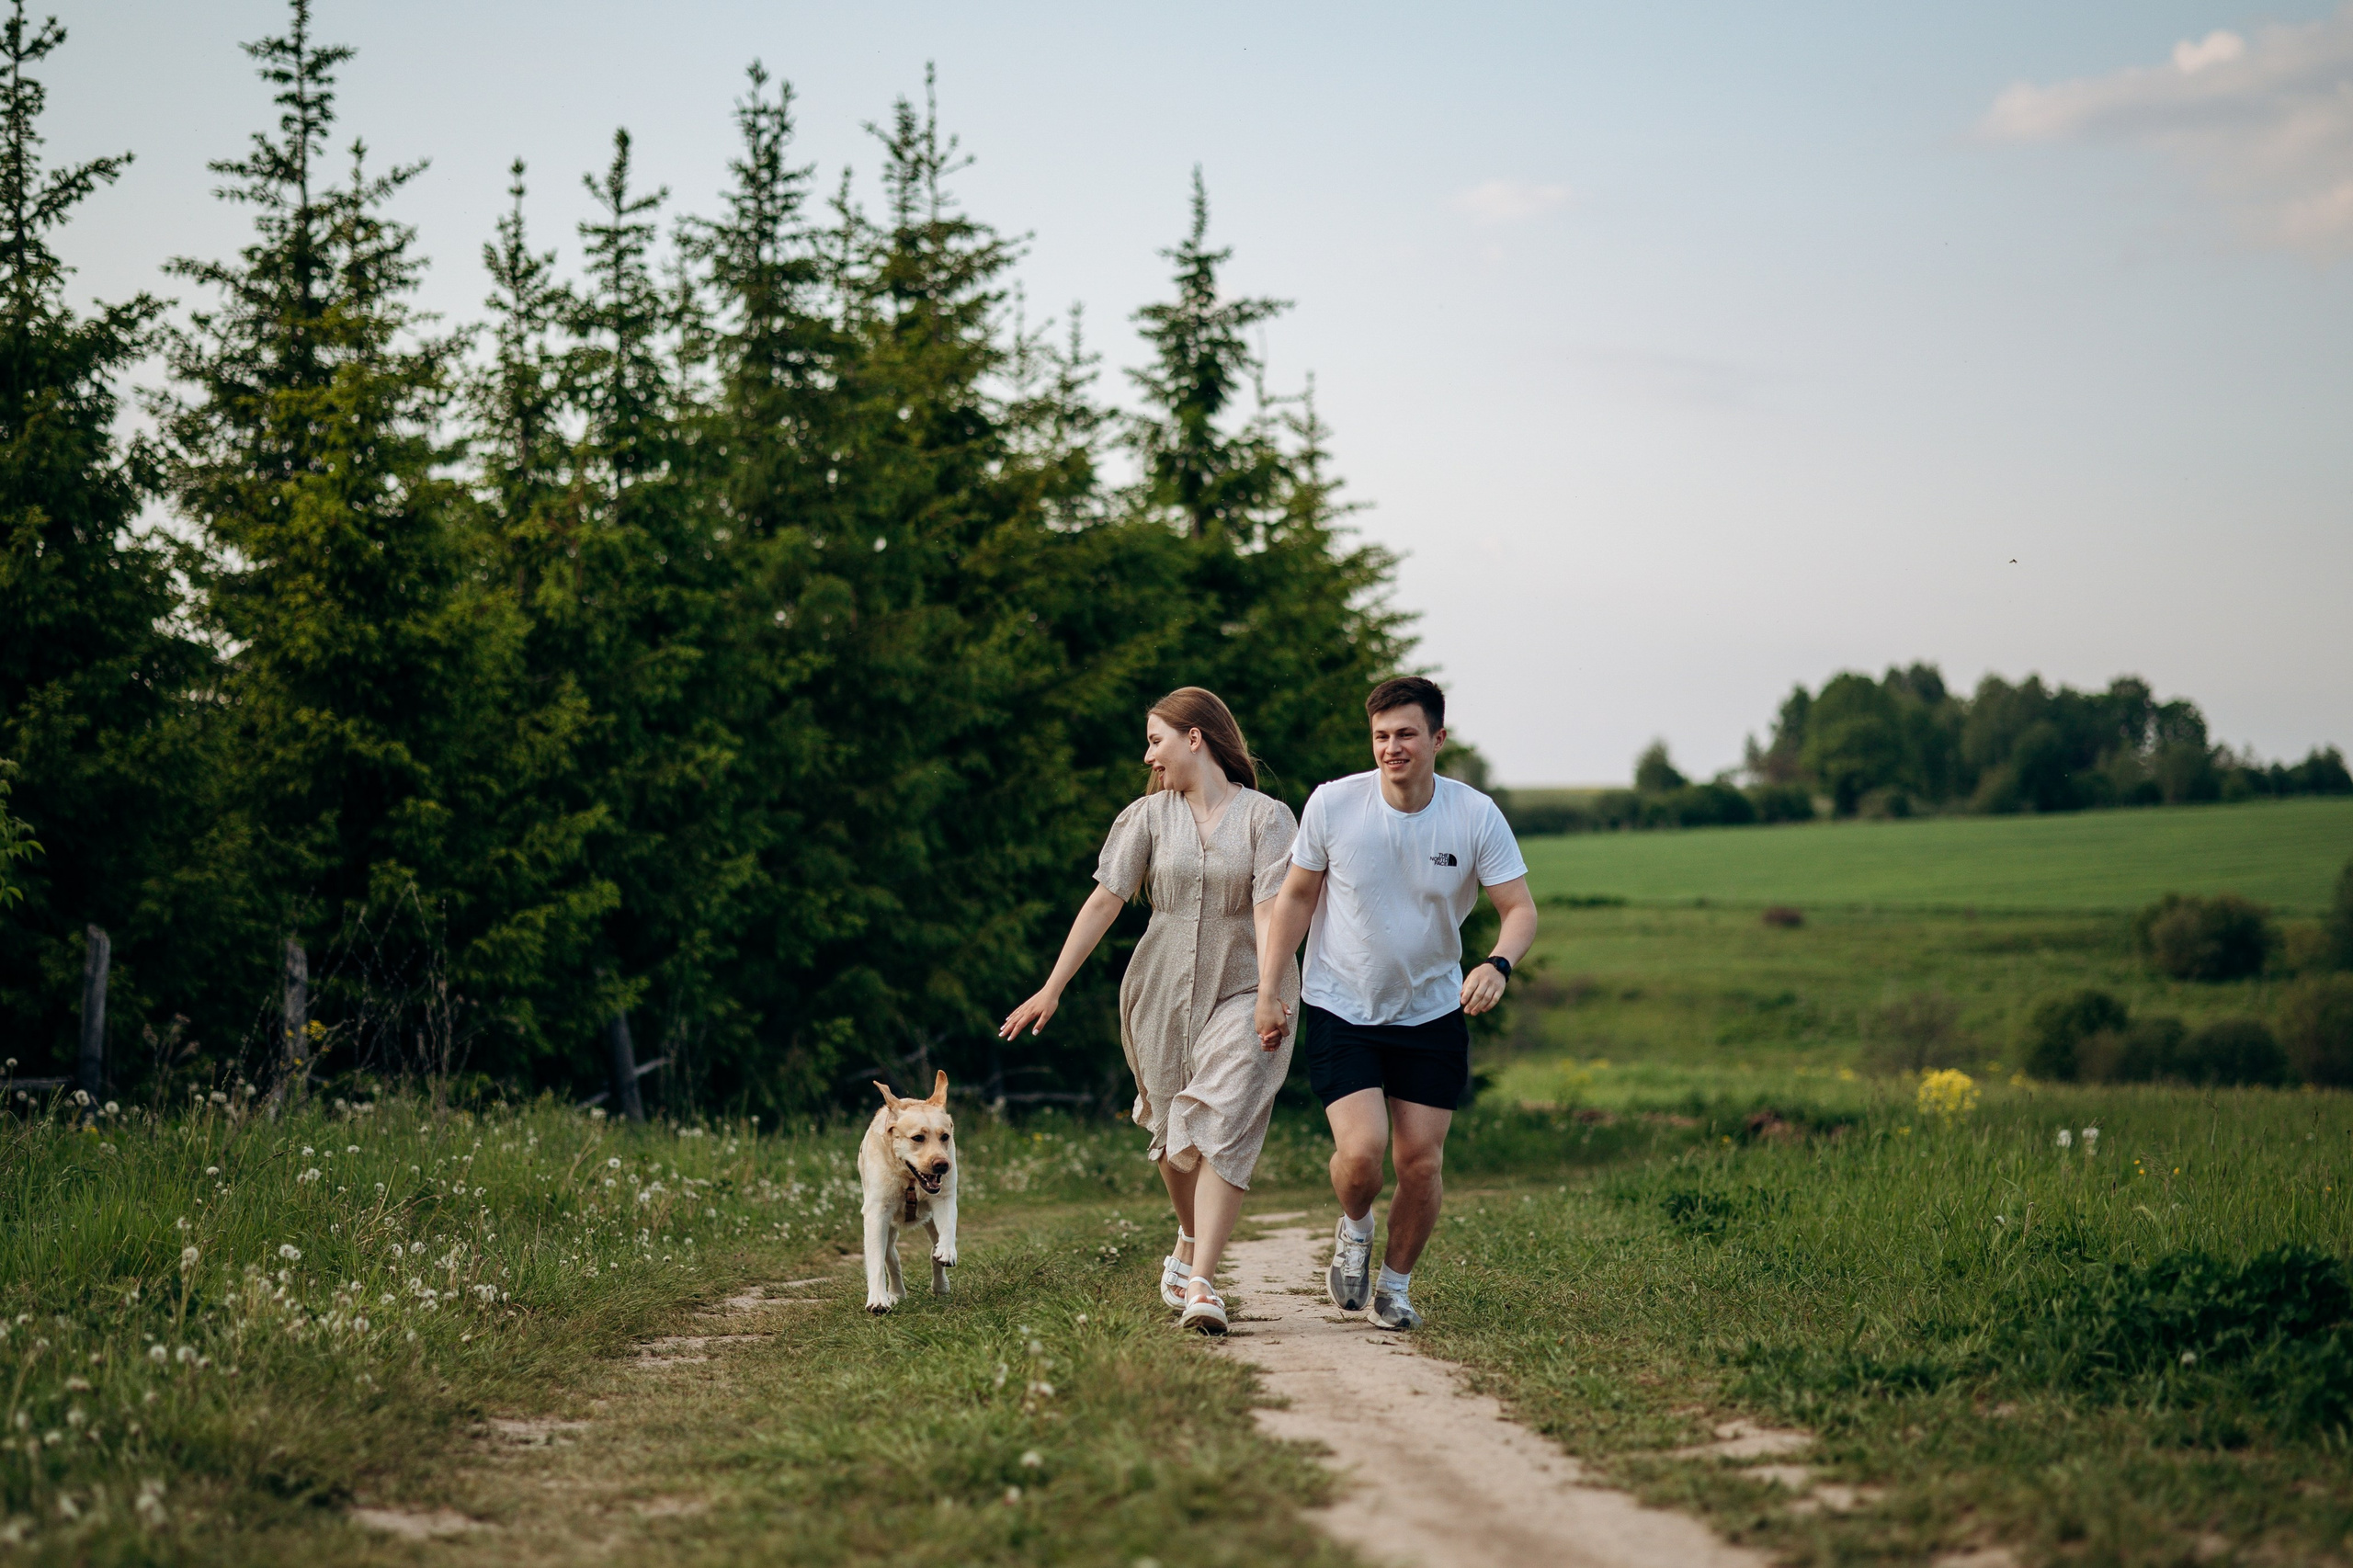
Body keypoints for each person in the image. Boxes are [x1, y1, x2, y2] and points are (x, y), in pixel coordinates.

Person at [1000, 687, 1301, 1335]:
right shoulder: (1145, 817)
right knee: (1173, 1138)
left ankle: (1203, 1284)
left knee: (1221, 1118)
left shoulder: (1267, 818)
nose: (1149, 755)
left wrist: (1272, 992)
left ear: (1196, 737)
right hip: (1158, 988)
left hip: (1246, 984)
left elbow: (1271, 907)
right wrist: (1052, 986)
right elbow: (1105, 902)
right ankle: (1189, 1239)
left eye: (1156, 739)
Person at [1253, 676, 1537, 1329]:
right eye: (1381, 736)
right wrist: (1271, 989)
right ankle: (1354, 1229)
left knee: (1421, 1163)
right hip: (1340, 1005)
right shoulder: (1334, 805)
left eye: (1406, 734)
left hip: (1432, 1011)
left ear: (1438, 739)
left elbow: (1518, 910)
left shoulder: (1473, 815)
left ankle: (1395, 1287)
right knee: (1361, 1158)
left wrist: (1498, 962)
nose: (1392, 747)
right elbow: (1296, 897)